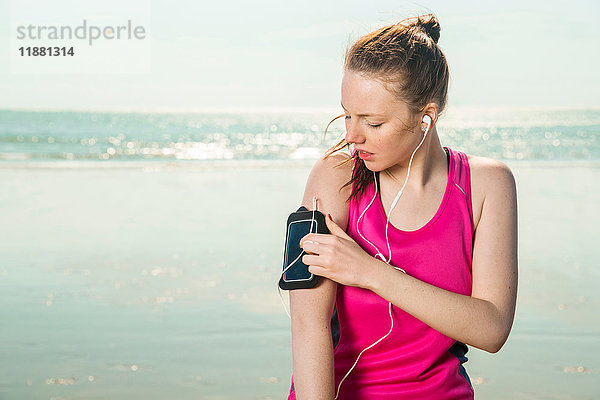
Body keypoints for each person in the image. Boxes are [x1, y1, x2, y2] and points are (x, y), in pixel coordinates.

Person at [285, 13, 518, 400]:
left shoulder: (488, 185)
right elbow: (308, 327)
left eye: (373, 123)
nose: (352, 136)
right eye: (347, 115)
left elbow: (491, 329)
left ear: (425, 117)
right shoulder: (333, 176)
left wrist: (369, 272)